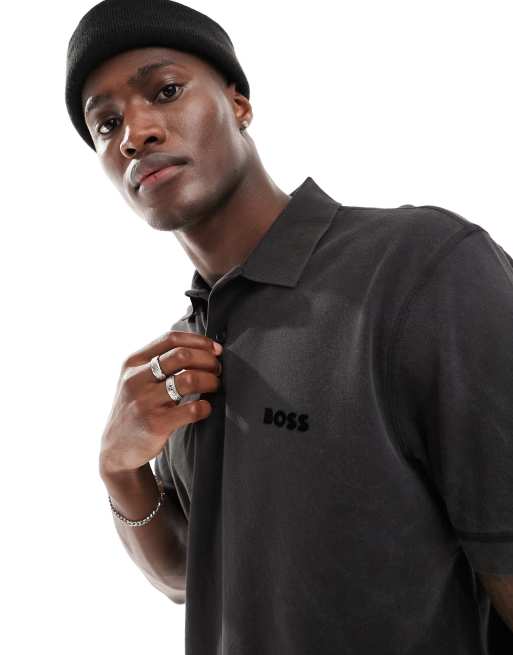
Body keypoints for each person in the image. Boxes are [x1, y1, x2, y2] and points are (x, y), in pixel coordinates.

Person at [65, 1, 513, 653]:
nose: (135, 133)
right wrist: (119, 467)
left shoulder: (419, 267)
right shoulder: (182, 354)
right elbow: (191, 573)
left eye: (165, 91)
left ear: (238, 103)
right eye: (106, 125)